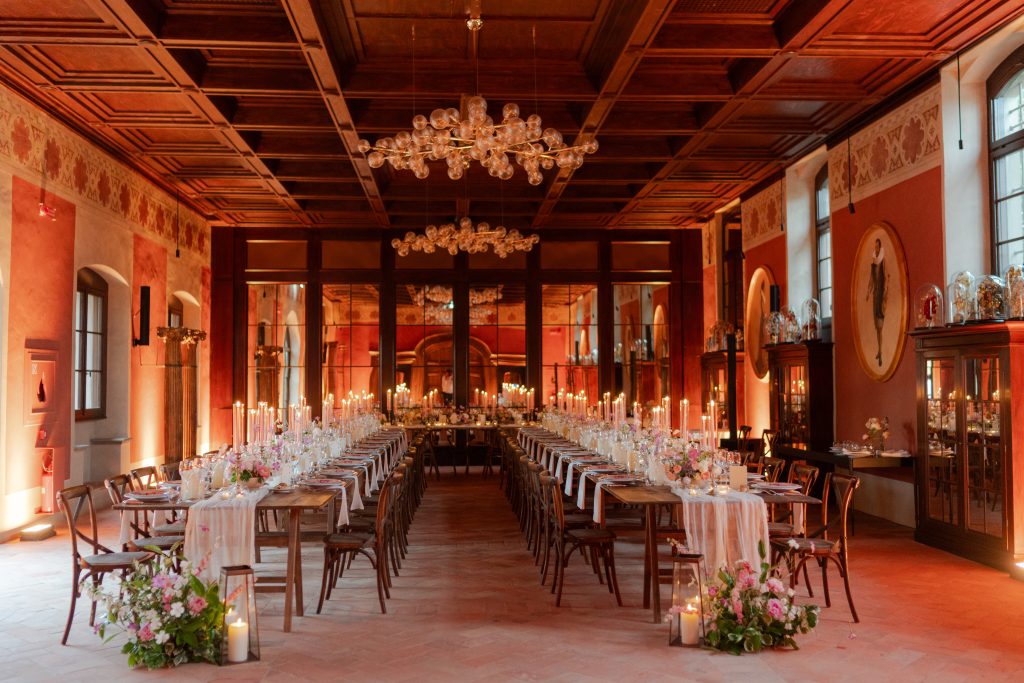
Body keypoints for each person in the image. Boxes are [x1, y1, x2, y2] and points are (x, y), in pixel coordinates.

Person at [866, 238, 887, 367]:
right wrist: (868, 292)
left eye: (878, 246)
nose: (876, 248)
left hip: (881, 296)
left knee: (880, 326)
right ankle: (879, 351)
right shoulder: (873, 263)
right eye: (875, 247)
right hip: (875, 296)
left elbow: (885, 276)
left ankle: (880, 352)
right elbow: (871, 280)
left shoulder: (883, 261)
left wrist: (884, 292)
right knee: (877, 327)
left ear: (880, 247)